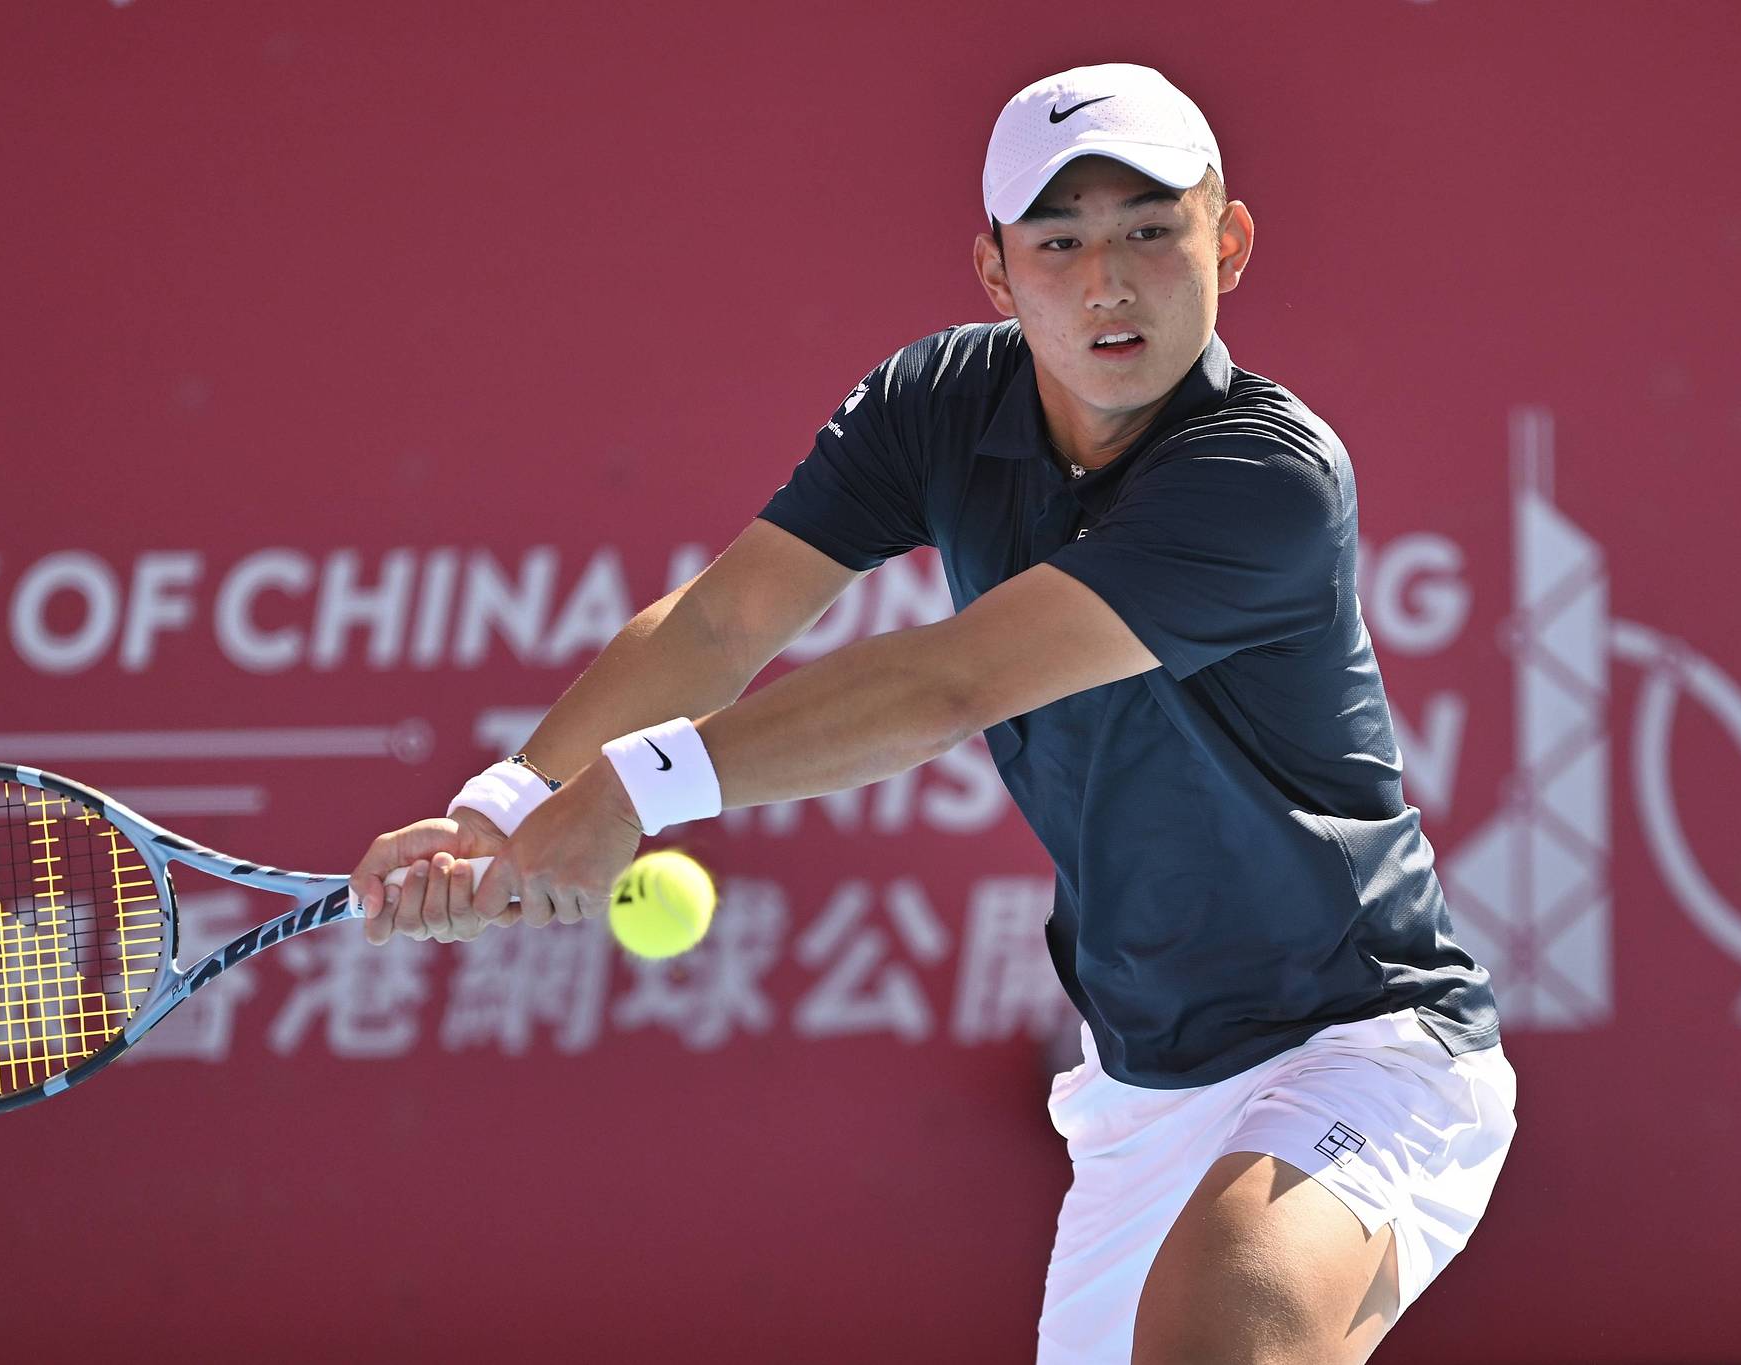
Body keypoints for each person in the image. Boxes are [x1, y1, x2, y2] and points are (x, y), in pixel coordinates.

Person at [348, 62, 1516, 1365]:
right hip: (1140, 1090)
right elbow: (725, 622)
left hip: (1364, 1041)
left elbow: (949, 680)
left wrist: (628, 791)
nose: (1107, 285)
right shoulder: (939, 406)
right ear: (996, 272)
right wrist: (499, 807)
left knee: (1236, 1302)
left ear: (1227, 242)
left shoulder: (1265, 478)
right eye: (1059, 244)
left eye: (1149, 231)